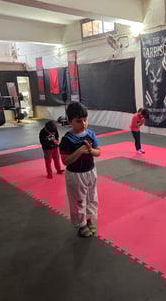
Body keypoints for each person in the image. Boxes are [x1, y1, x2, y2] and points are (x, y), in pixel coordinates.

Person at [59, 102, 101, 238]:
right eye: (79, 121)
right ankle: (81, 225)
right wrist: (79, 151)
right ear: (70, 121)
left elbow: (98, 152)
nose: (83, 124)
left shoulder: (91, 134)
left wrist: (91, 150)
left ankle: (89, 220)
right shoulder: (67, 140)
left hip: (90, 171)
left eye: (85, 120)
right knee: (78, 200)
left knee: (91, 198)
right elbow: (65, 161)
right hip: (75, 175)